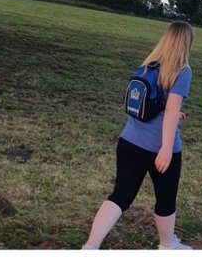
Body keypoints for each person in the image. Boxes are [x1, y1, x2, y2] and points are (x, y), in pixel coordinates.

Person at [83, 21, 195, 250]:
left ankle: (90, 247)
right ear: (187, 43)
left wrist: (173, 112)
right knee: (165, 198)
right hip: (159, 148)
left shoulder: (147, 65)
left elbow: (149, 103)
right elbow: (170, 110)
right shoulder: (183, 70)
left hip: (129, 141)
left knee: (120, 195)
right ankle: (167, 246)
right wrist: (166, 148)